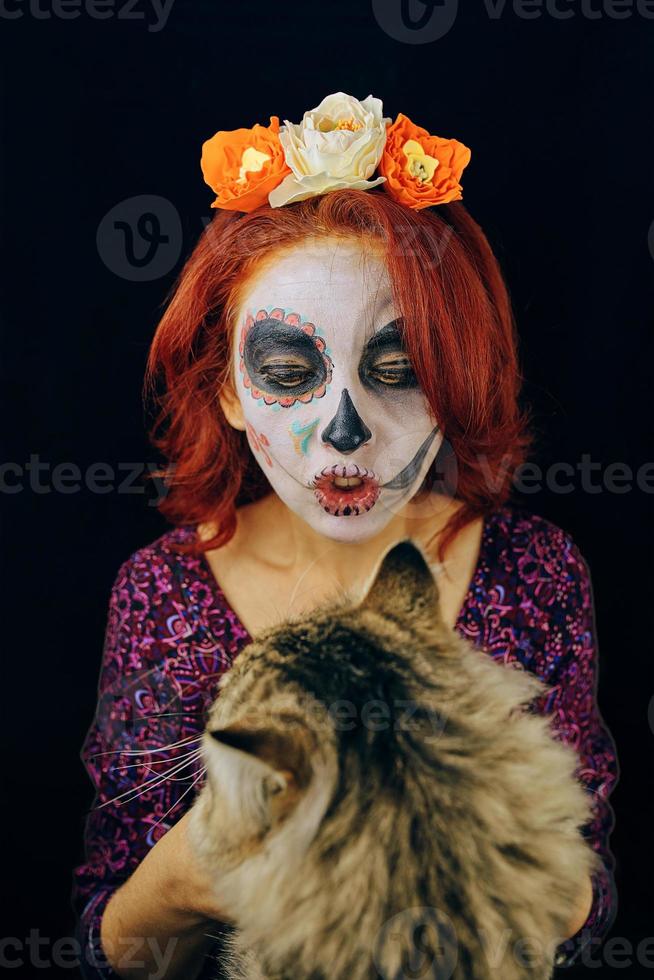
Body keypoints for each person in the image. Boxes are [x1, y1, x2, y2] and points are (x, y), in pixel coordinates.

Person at [71, 93, 618, 979]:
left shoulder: (536, 572)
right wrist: (185, 875)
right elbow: (113, 948)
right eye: (288, 371)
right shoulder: (161, 593)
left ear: (454, 378)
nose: (346, 434)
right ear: (228, 393)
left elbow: (589, 905)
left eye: (399, 372)